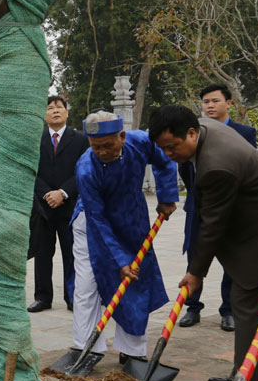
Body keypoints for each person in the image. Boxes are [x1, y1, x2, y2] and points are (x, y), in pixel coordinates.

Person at [151, 105, 258, 381]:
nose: (168, 155)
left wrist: (196, 272)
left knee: (247, 301)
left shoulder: (216, 165)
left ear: (191, 133)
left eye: (172, 147)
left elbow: (212, 225)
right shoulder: (202, 127)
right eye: (162, 149)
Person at [70, 111, 178, 363]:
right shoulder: (85, 168)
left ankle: (132, 351)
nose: (102, 152)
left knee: (135, 282)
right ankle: (86, 348)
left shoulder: (141, 141)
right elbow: (97, 218)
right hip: (92, 224)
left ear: (122, 137)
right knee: (87, 285)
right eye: (96, 147)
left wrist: (166, 196)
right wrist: (120, 260)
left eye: (108, 145)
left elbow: (165, 160)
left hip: (132, 219)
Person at [179, 83, 258, 331]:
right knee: (195, 255)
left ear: (229, 103)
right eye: (206, 102)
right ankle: (192, 307)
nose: (210, 106)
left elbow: (248, 166)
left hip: (232, 207)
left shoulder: (244, 132)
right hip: (198, 206)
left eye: (215, 101)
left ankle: (228, 310)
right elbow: (184, 166)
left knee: (231, 259)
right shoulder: (194, 132)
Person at [29, 96, 88, 313]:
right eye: (50, 108)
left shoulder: (80, 140)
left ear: (67, 112)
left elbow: (83, 170)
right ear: (44, 114)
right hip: (43, 207)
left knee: (72, 254)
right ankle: (42, 297)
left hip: (70, 206)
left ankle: (73, 296)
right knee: (42, 253)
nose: (55, 111)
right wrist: (47, 194)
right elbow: (31, 171)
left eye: (59, 107)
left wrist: (63, 193)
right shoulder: (35, 140)